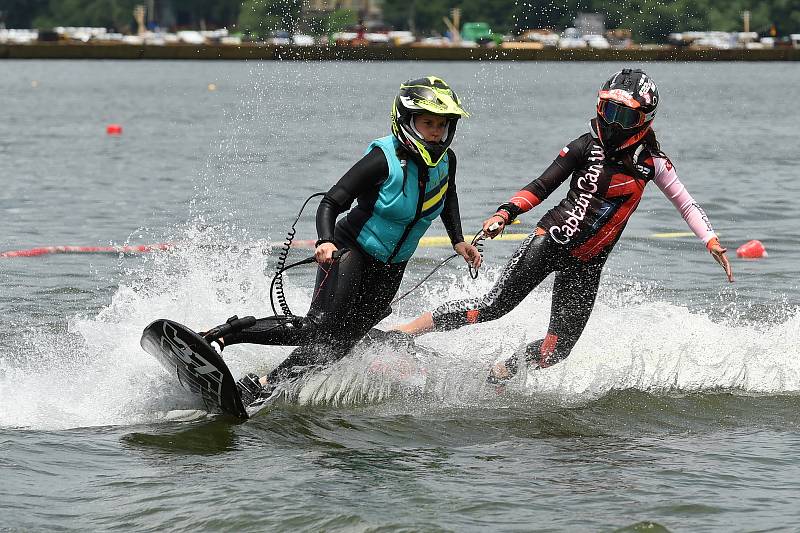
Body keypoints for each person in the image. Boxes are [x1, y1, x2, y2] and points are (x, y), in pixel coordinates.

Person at [393, 69, 733, 383]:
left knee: (555, 352)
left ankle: (497, 376)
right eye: (608, 110)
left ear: (642, 120)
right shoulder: (584, 145)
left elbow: (686, 202)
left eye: (623, 115)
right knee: (492, 307)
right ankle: (404, 333)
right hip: (548, 242)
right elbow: (542, 185)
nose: (612, 122)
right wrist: (505, 213)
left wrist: (711, 240)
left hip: (588, 264)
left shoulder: (652, 163)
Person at [205, 76, 481, 406]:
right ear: (407, 121)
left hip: (392, 264)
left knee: (341, 342)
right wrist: (325, 241)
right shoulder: (383, 160)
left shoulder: (447, 162)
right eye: (427, 123)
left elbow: (446, 196)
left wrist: (458, 241)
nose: (436, 131)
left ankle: (263, 384)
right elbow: (331, 202)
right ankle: (219, 336)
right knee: (319, 328)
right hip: (352, 249)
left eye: (442, 124)